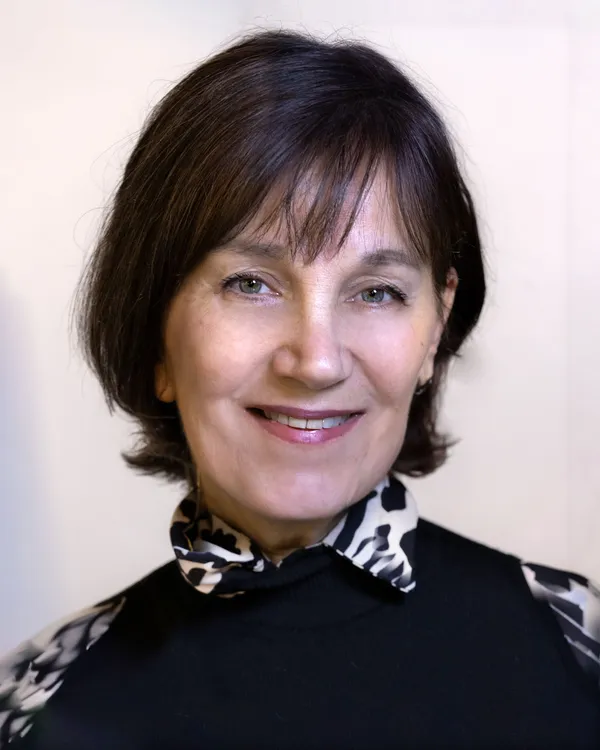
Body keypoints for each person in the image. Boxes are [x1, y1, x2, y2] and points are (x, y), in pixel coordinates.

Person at [0, 29, 598, 750]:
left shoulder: (577, 645)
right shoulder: (32, 705)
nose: (315, 361)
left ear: (435, 327)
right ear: (156, 333)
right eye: (251, 284)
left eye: (376, 292)